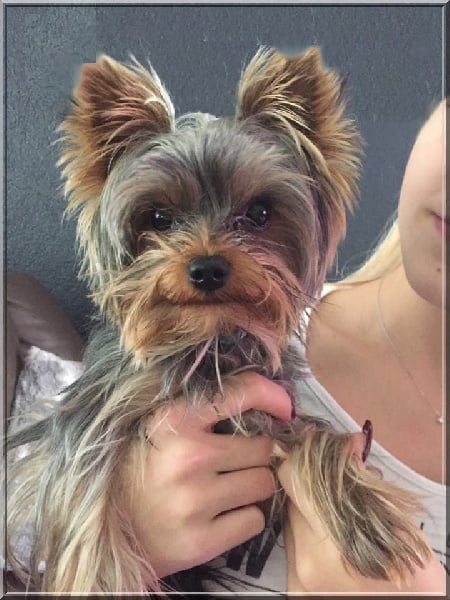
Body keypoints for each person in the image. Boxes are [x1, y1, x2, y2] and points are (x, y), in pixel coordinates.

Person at [126, 97, 447, 594]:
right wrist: (122, 538)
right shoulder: (180, 355)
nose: (207, 254)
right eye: (163, 220)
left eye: (257, 215)